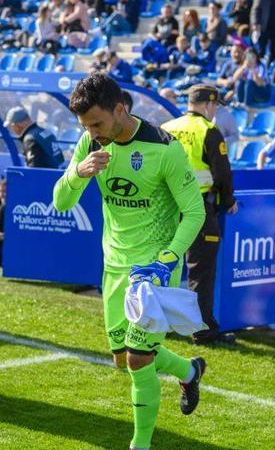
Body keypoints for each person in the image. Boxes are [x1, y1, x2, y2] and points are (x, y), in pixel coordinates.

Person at [52, 73, 207, 449]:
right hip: (114, 265)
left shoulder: (164, 148)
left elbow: (195, 212)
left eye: (97, 123)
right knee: (123, 359)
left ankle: (140, 443)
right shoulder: (90, 142)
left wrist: (167, 259)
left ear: (120, 109)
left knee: (139, 361)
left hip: (154, 270)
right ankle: (189, 370)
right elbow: (61, 202)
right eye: (86, 126)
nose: (92, 132)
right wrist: (78, 172)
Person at [161, 85, 237, 345]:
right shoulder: (209, 131)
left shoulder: (166, 127)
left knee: (164, 266)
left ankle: (158, 323)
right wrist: (228, 201)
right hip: (198, 209)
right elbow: (222, 173)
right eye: (215, 106)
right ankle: (203, 330)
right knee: (200, 271)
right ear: (209, 105)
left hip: (165, 207)